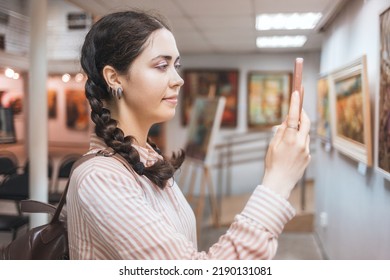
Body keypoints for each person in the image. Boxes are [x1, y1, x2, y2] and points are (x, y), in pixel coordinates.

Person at [67, 10, 311, 260]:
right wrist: (278, 179)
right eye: (162, 66)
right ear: (114, 77)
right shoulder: (100, 178)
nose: (179, 80)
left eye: (176, 66)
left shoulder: (147, 159)